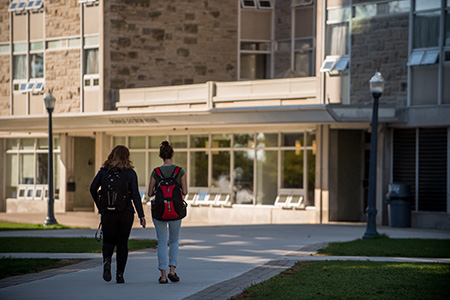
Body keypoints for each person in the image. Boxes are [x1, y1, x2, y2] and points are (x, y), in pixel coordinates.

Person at [90, 145, 146, 284]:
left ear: (112, 155)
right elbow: (135, 196)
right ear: (127, 157)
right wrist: (141, 215)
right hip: (125, 213)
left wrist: (100, 205)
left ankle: (107, 261)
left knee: (108, 241)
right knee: (122, 243)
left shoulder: (104, 172)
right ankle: (120, 275)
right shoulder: (130, 173)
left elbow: (92, 189)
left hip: (108, 213)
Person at [148, 141, 188, 284]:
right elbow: (185, 191)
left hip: (159, 211)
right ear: (172, 154)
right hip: (176, 211)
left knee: (162, 242)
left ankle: (163, 276)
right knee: (174, 241)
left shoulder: (156, 172)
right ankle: (172, 270)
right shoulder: (180, 171)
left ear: (161, 156)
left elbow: (149, 193)